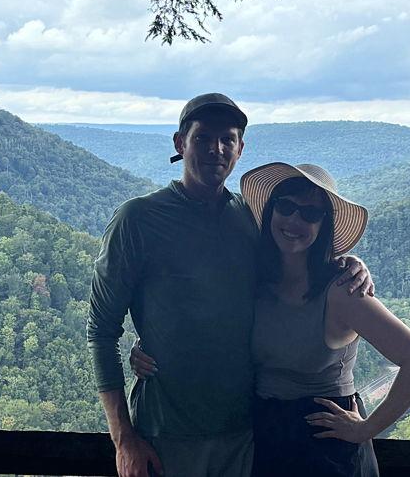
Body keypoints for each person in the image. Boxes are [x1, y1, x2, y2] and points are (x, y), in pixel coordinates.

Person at [87, 94, 375, 477]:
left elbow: (295, 261)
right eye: (203, 138)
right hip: (165, 433)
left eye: (228, 139)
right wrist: (123, 439)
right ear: (180, 143)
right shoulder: (137, 220)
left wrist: (347, 264)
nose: (216, 149)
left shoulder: (250, 220)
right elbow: (101, 330)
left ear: (240, 149)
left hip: (246, 434)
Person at [132, 162, 410, 476]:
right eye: (286, 206)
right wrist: (148, 347)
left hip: (326, 446)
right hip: (267, 434)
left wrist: (366, 429)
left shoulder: (342, 291)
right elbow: (205, 318)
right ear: (271, 211)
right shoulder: (259, 281)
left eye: (310, 213)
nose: (295, 220)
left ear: (324, 224)